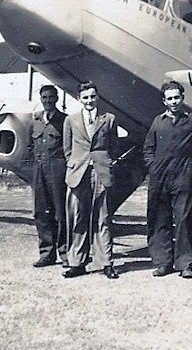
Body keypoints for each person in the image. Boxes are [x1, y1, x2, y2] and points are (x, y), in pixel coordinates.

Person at [143, 81, 192, 279]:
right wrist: (152, 166)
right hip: (159, 178)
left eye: (177, 97)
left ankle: (185, 264)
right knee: (160, 219)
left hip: (182, 176)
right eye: (170, 98)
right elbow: (148, 147)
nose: (174, 101)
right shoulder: (158, 122)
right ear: (164, 101)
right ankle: (163, 263)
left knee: (184, 219)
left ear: (182, 98)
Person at [62, 81, 119, 279]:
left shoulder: (109, 119)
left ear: (98, 97)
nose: (89, 101)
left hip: (100, 172)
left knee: (102, 219)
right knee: (78, 217)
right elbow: (67, 149)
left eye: (92, 96)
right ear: (79, 99)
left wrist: (104, 162)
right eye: (85, 97)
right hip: (78, 173)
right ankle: (77, 263)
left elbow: (114, 146)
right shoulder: (71, 120)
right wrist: (77, 164)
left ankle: (106, 263)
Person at [26, 85, 68, 268]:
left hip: (58, 169)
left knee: (61, 212)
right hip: (39, 170)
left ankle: (66, 253)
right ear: (40, 99)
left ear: (57, 98)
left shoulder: (65, 121)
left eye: (51, 97)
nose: (48, 100)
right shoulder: (34, 122)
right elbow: (29, 147)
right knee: (41, 212)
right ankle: (46, 254)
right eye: (44, 97)